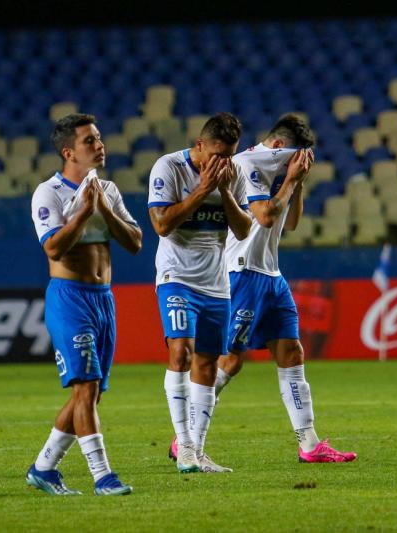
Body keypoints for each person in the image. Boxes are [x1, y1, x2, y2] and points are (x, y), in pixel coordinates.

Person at [169, 114, 357, 463]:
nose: (298, 163)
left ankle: (310, 444)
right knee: (229, 359)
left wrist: (296, 182)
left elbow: (293, 222)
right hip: (241, 272)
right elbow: (265, 215)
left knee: (292, 352)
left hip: (270, 274)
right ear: (279, 147)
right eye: (296, 156)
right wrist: (290, 181)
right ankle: (187, 440)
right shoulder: (247, 164)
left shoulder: (281, 170)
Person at [27, 113, 143, 496]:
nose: (99, 144)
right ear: (68, 152)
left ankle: (44, 467)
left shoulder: (107, 190)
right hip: (69, 297)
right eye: (89, 140)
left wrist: (103, 208)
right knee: (86, 387)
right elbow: (53, 247)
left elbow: (135, 242)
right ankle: (102, 476)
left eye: (98, 138)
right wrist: (81, 212)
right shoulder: (49, 193)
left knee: (88, 393)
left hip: (103, 299)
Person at [148, 112, 251, 473]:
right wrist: (202, 190)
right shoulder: (169, 168)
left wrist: (222, 190)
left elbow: (242, 231)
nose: (223, 162)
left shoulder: (233, 175)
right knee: (181, 351)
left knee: (207, 364)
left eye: (229, 155)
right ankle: (186, 448)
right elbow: (161, 224)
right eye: (217, 155)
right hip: (176, 276)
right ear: (199, 146)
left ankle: (198, 451)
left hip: (216, 284)